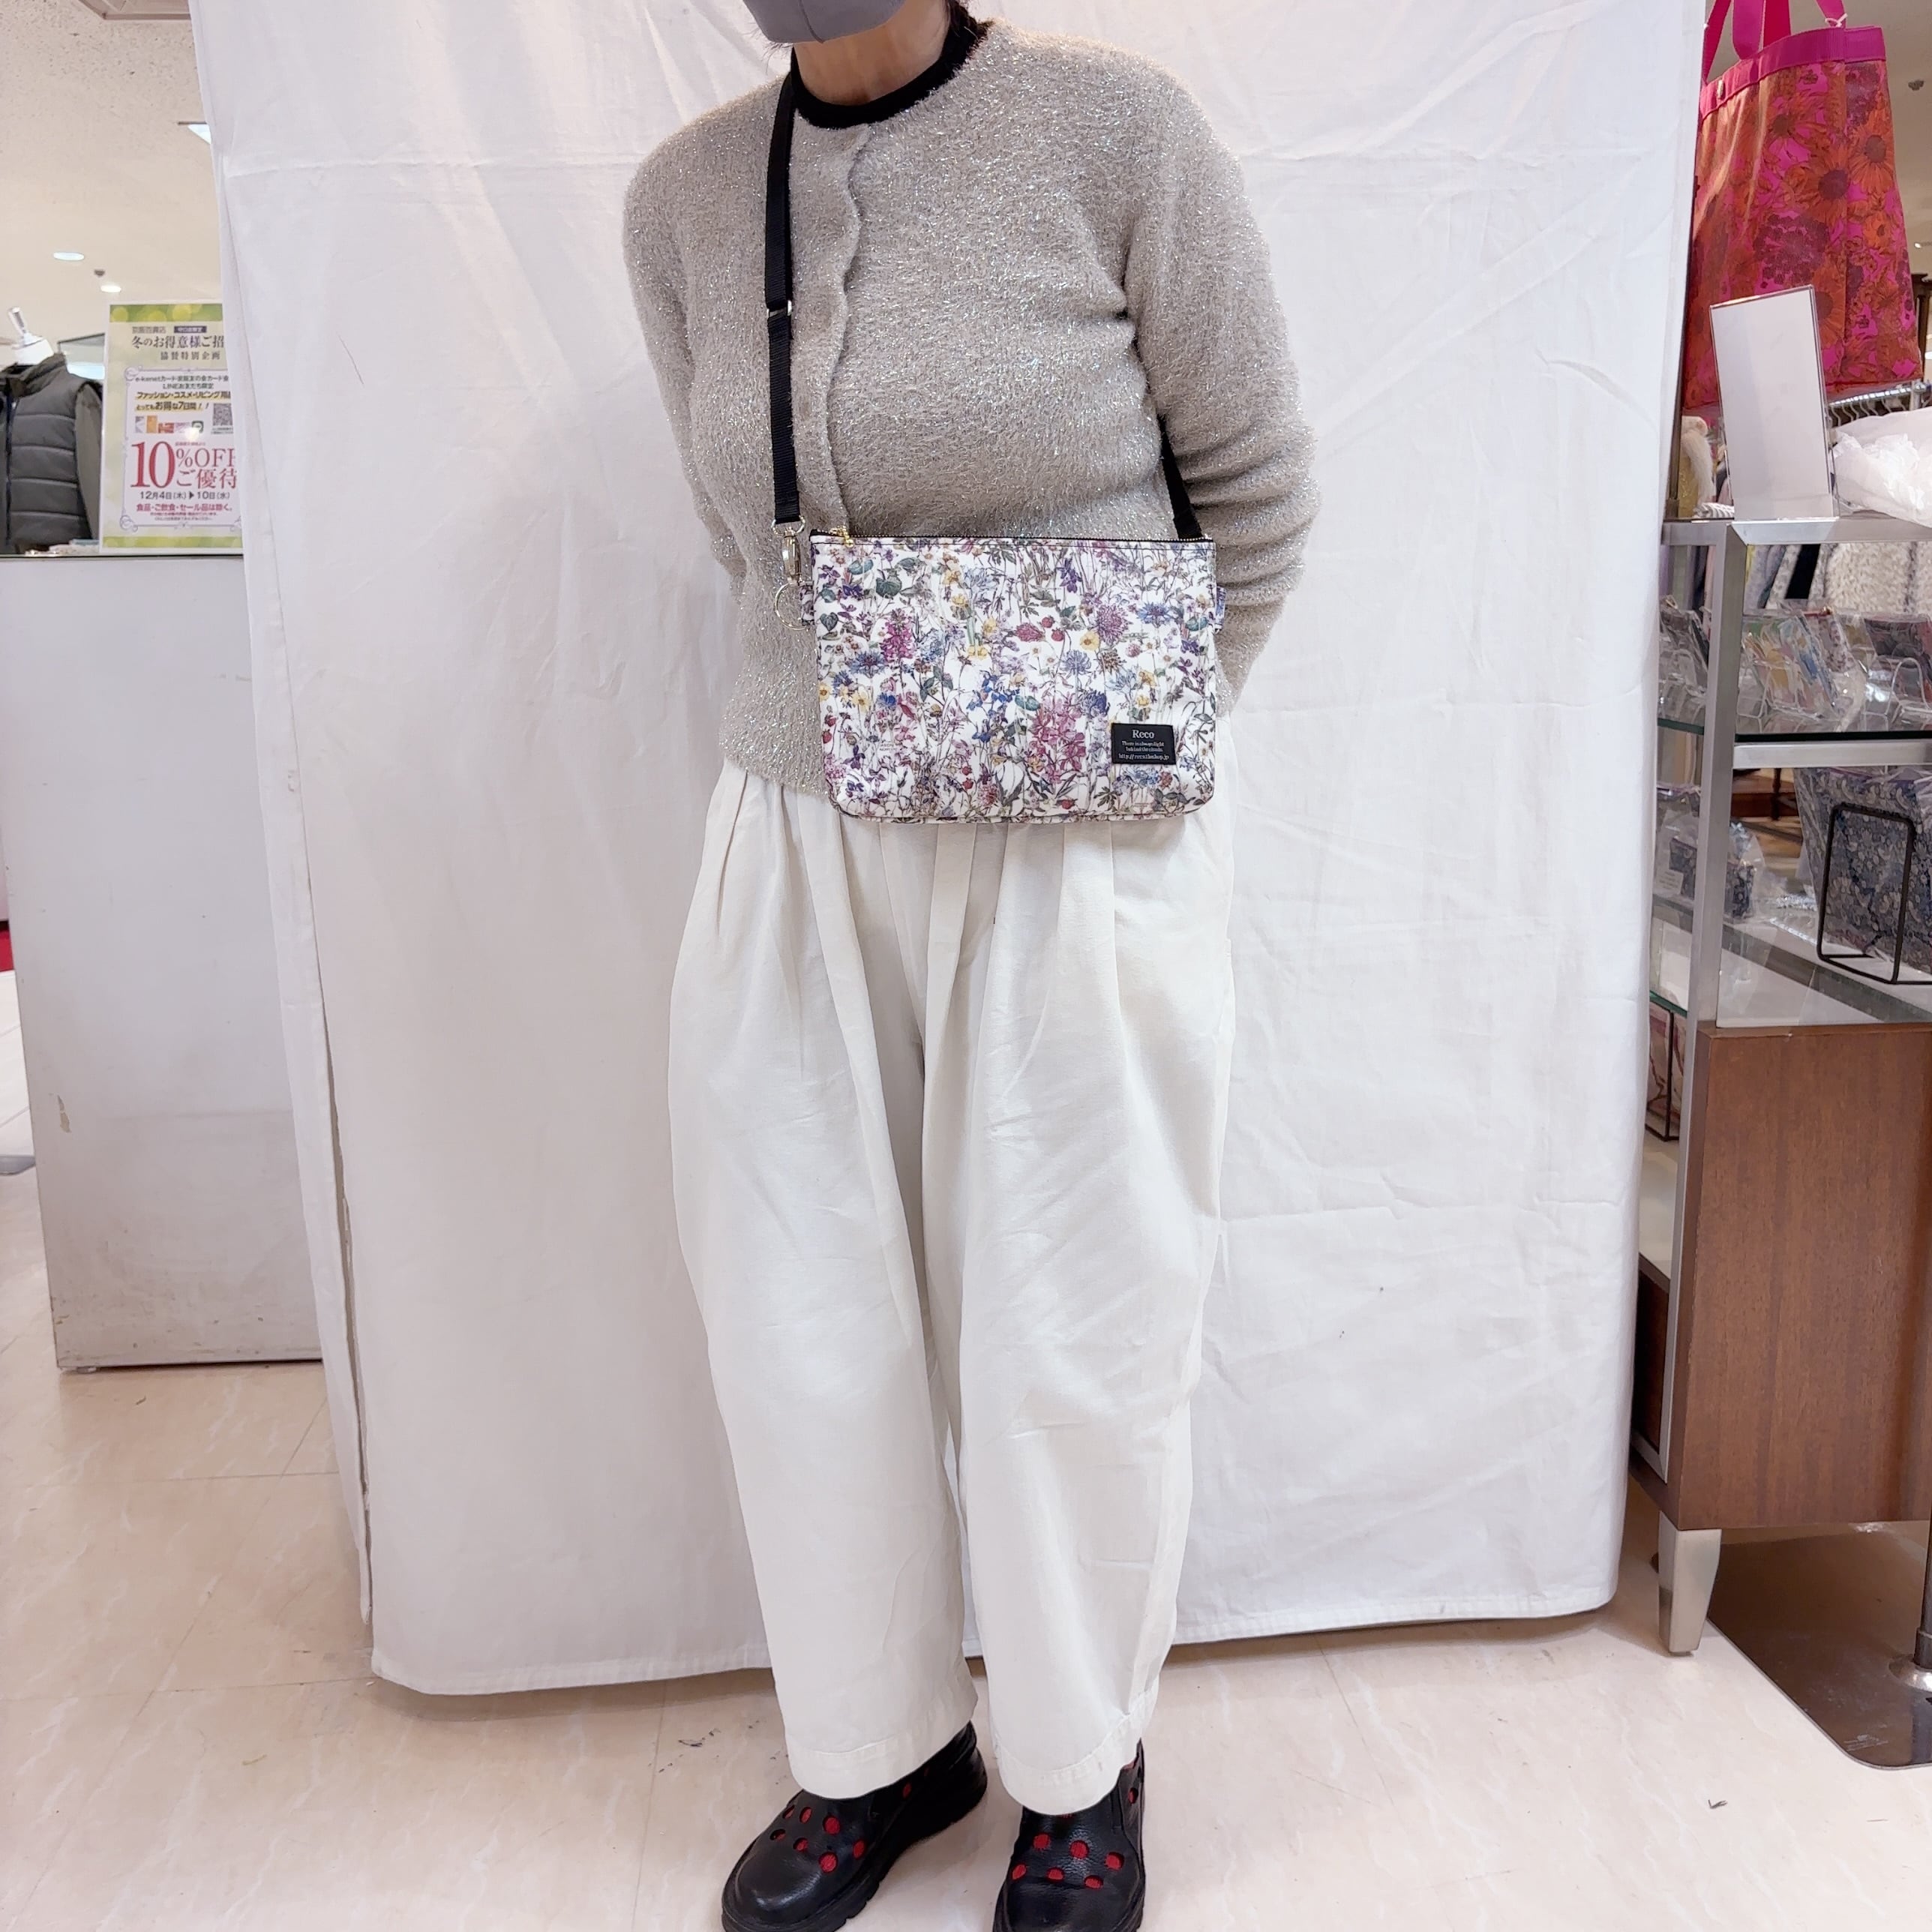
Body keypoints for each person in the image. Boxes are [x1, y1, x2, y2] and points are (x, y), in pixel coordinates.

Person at [624, 4, 1316, 1926]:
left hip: (1077, 845)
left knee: (1069, 1328)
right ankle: (880, 1745)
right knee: (798, 1320)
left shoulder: (1118, 139)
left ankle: (1082, 1766)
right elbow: (741, 539)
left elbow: (1259, 494)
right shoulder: (681, 201)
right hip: (794, 827)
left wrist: (1123, 734)